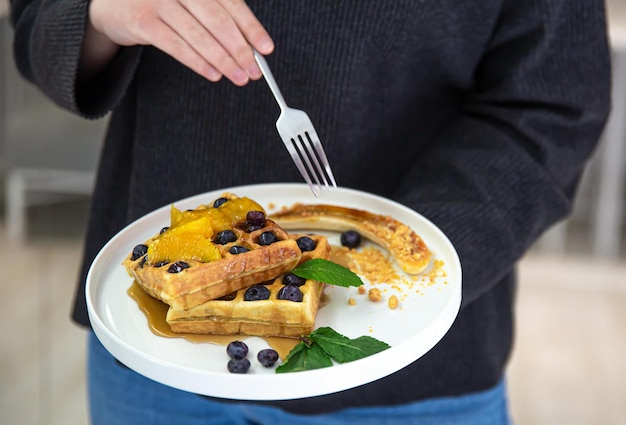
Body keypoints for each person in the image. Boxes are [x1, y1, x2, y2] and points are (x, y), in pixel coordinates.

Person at [10, 0, 611, 423]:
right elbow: (36, 23)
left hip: (412, 375)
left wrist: (401, 255)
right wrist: (97, 15)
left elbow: (553, 101)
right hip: (156, 360)